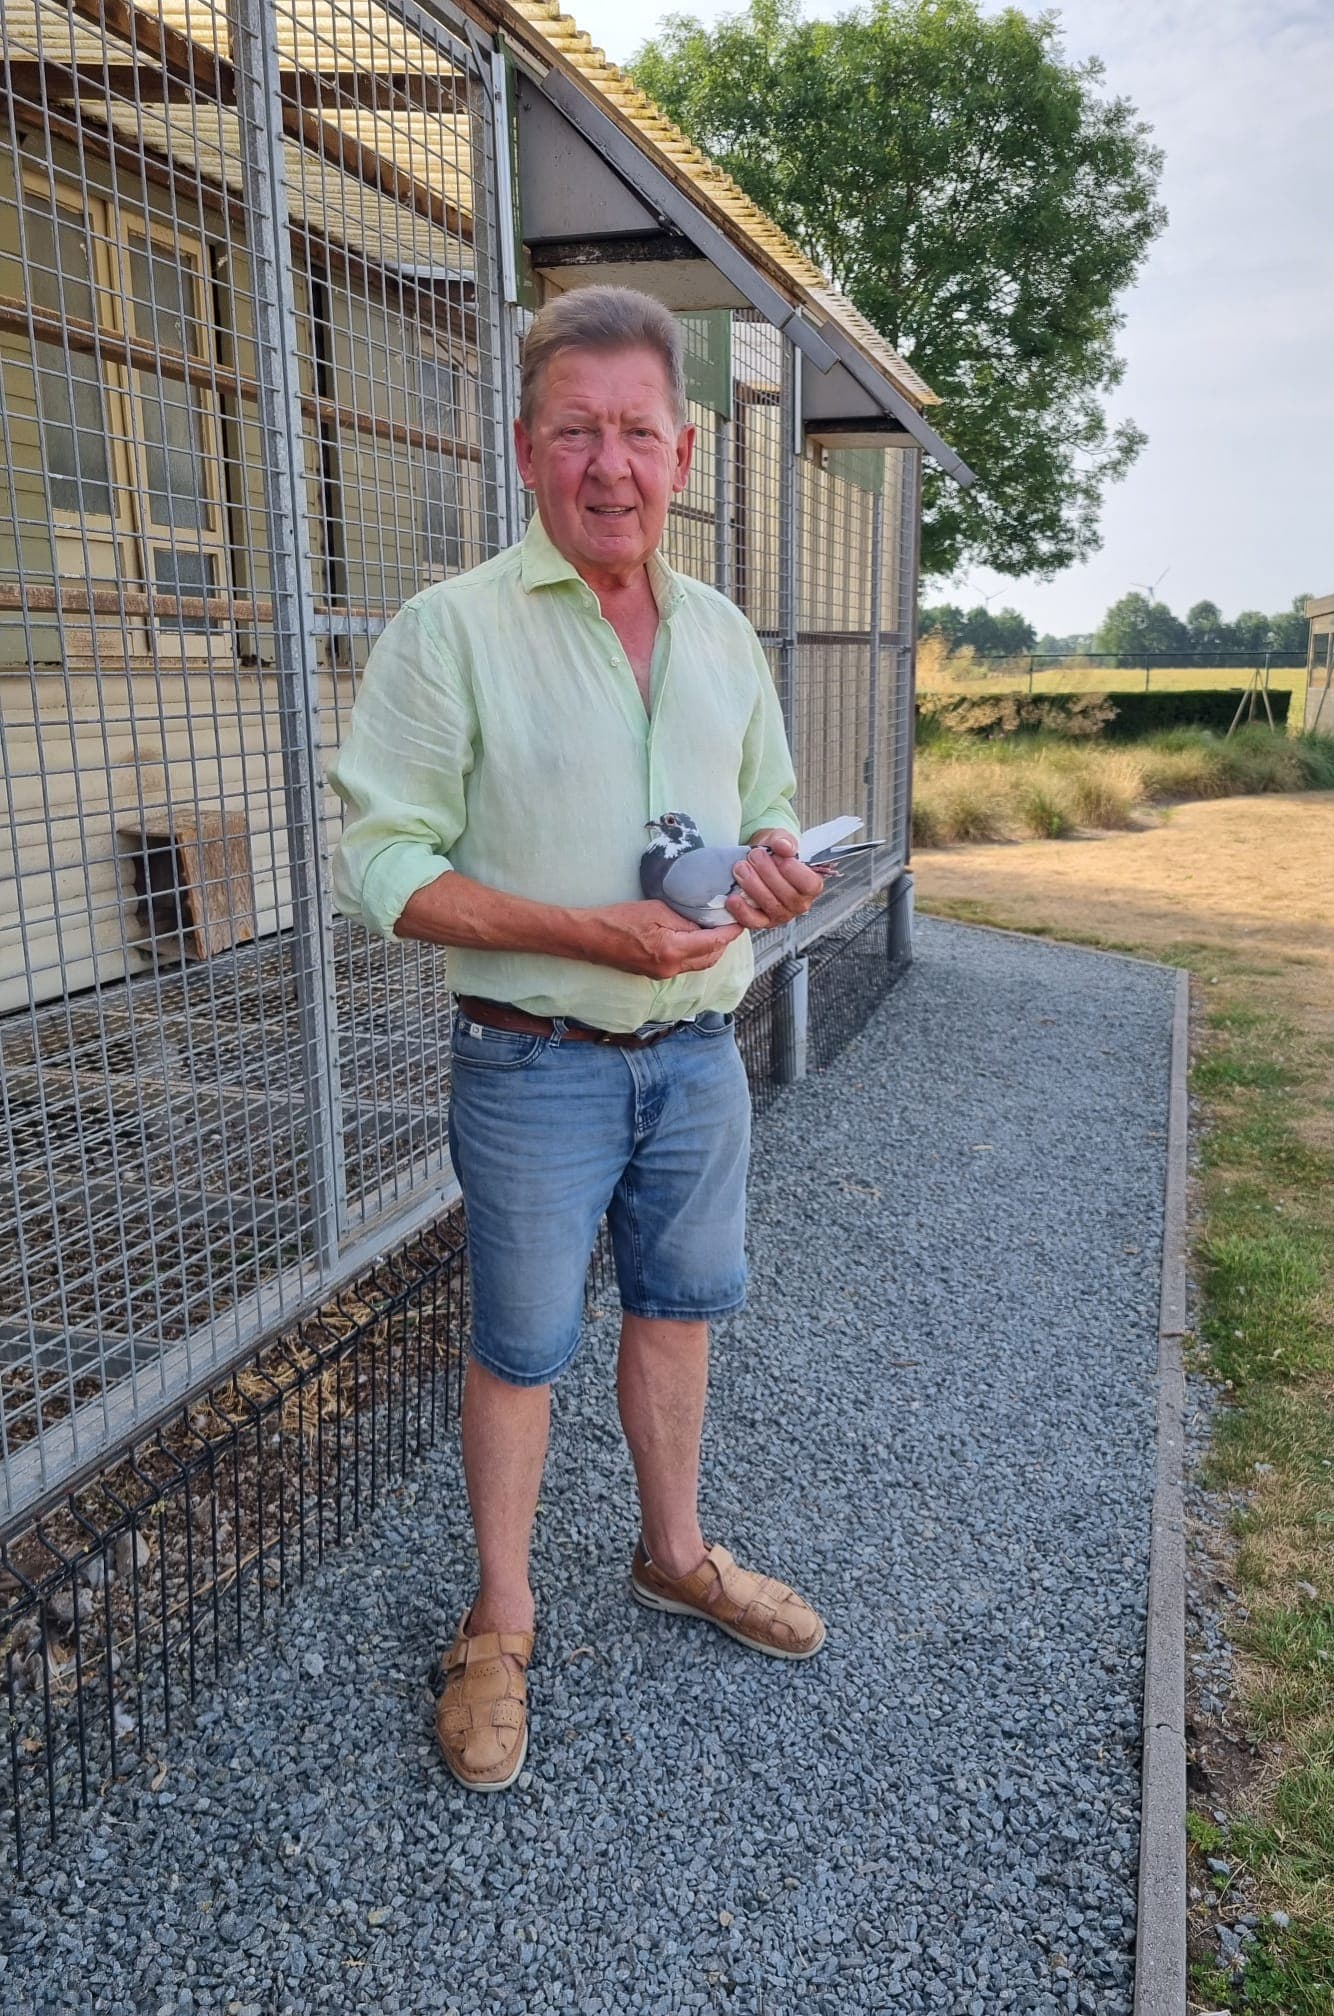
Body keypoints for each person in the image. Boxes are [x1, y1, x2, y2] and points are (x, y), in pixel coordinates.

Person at [327, 286, 828, 1794]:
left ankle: (675, 1555)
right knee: (523, 1347)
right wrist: (585, 933)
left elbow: (769, 803)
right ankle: (499, 1620)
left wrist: (777, 864)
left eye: (638, 432)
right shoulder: (451, 631)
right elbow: (384, 868)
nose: (611, 464)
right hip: (532, 1057)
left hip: (697, 1054)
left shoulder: (723, 633)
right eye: (576, 432)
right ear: (524, 448)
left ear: (685, 451)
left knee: (679, 1312)